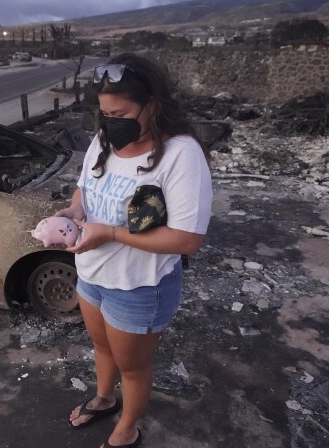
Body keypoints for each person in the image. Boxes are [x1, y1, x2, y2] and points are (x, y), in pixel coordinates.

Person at [57, 53, 212, 448]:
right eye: (105, 113)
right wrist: (75, 208)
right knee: (102, 347)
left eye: (121, 112)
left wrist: (110, 232)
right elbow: (85, 186)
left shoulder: (181, 153)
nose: (111, 122)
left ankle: (127, 428)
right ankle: (105, 399)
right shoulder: (103, 140)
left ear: (153, 104)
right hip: (91, 273)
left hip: (140, 285)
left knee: (133, 367)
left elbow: (186, 239)